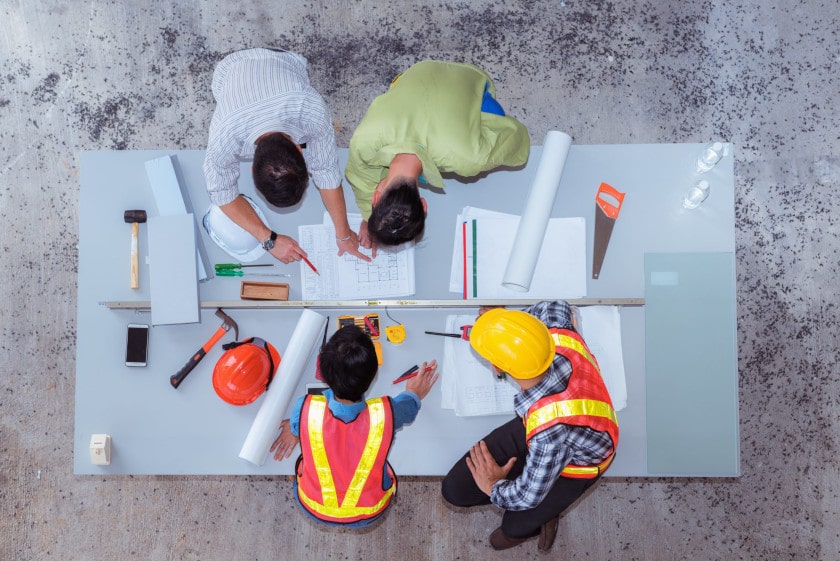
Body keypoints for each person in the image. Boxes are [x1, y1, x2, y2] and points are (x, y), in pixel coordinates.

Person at [441, 301, 619, 552]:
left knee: (512, 527)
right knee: (454, 489)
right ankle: (532, 480)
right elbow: (555, 305)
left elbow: (526, 496)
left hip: (579, 461)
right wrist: (503, 324)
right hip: (559, 427)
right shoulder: (558, 331)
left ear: (498, 368)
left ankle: (543, 514)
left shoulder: (548, 431)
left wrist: (493, 485)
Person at [345, 60, 530, 253]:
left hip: (469, 77)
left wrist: (474, 143)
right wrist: (369, 219)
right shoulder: (362, 142)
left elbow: (518, 137)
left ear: (424, 206)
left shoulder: (466, 159)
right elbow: (361, 180)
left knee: (494, 116)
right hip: (417, 71)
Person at [203, 48, 368, 264]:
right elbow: (221, 194)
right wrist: (268, 239)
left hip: (276, 59)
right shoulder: (223, 135)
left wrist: (344, 234)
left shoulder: (311, 109)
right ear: (300, 149)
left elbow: (326, 172)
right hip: (239, 73)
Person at [270, 325, 439, 527]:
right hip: (370, 511)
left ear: (323, 373)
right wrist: (413, 393)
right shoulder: (386, 413)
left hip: (314, 507)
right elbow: (409, 408)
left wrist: (295, 426)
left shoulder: (306, 408)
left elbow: (297, 427)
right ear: (374, 374)